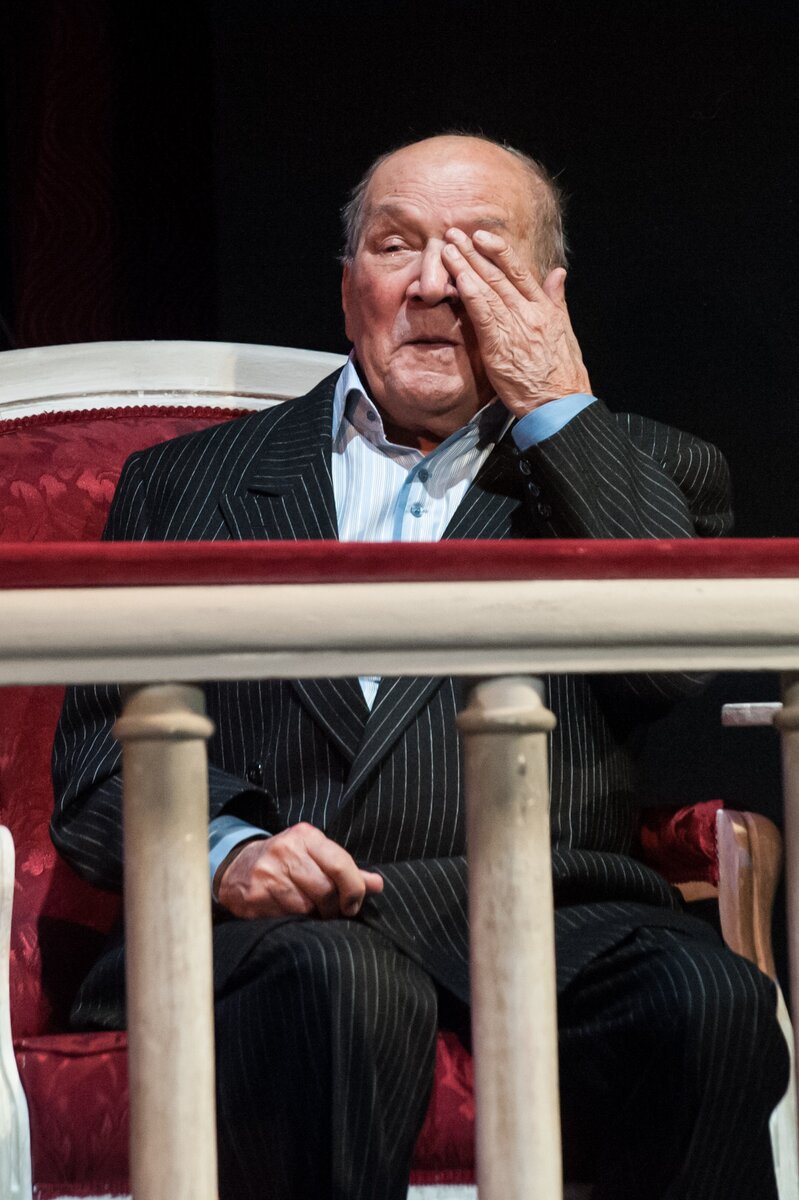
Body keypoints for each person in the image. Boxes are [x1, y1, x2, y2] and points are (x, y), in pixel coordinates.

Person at [51, 133, 788, 1200]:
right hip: (265, 934)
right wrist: (225, 852)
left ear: (549, 294)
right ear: (349, 286)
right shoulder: (185, 483)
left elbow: (664, 663)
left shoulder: (654, 469)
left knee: (709, 1003)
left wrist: (554, 406)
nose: (436, 284)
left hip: (550, 917)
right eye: (395, 246)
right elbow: (96, 765)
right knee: (342, 981)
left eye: (482, 252)